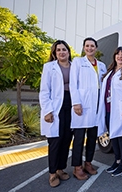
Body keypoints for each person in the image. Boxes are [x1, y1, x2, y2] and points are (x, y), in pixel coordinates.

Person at [69, 37, 107, 180]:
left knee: (92, 137)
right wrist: (76, 102)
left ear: (96, 48)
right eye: (87, 46)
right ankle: (77, 167)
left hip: (97, 105)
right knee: (79, 137)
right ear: (84, 48)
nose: (90, 48)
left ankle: (88, 163)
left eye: (92, 46)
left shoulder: (102, 65)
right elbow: (73, 84)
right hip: (82, 105)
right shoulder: (78, 62)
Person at [39, 40, 73, 187]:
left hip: (71, 104)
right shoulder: (49, 67)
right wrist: (47, 111)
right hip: (55, 106)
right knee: (55, 141)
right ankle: (52, 173)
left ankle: (60, 169)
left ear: (68, 51)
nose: (61, 52)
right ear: (54, 53)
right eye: (58, 50)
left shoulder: (74, 66)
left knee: (66, 139)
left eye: (64, 49)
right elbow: (44, 90)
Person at [97, 47, 122, 177]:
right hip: (109, 109)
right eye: (117, 54)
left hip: (121, 110)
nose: (120, 57)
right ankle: (117, 160)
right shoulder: (110, 72)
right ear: (114, 56)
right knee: (113, 136)